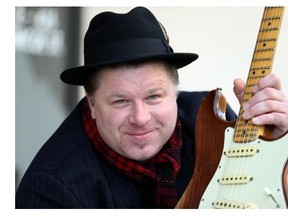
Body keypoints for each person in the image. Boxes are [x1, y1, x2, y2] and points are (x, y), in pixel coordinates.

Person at [16, 6, 288, 209]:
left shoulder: (214, 124)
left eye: (154, 97)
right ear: (92, 104)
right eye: (120, 101)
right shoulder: (50, 188)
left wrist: (279, 152)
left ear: (175, 92)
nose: (140, 117)